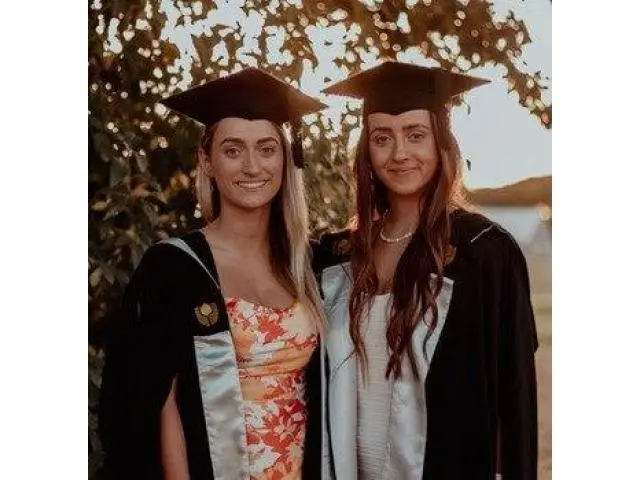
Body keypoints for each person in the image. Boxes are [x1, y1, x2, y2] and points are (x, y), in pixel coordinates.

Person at [99, 67, 327, 480]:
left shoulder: (309, 264)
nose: (253, 166)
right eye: (233, 150)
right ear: (207, 160)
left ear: (285, 157)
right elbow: (159, 403)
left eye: (267, 149)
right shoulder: (173, 268)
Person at [315, 61, 539, 479]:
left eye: (415, 135)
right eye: (382, 138)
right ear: (366, 152)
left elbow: (515, 396)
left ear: (442, 144)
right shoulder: (336, 257)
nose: (399, 153)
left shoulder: (484, 252)